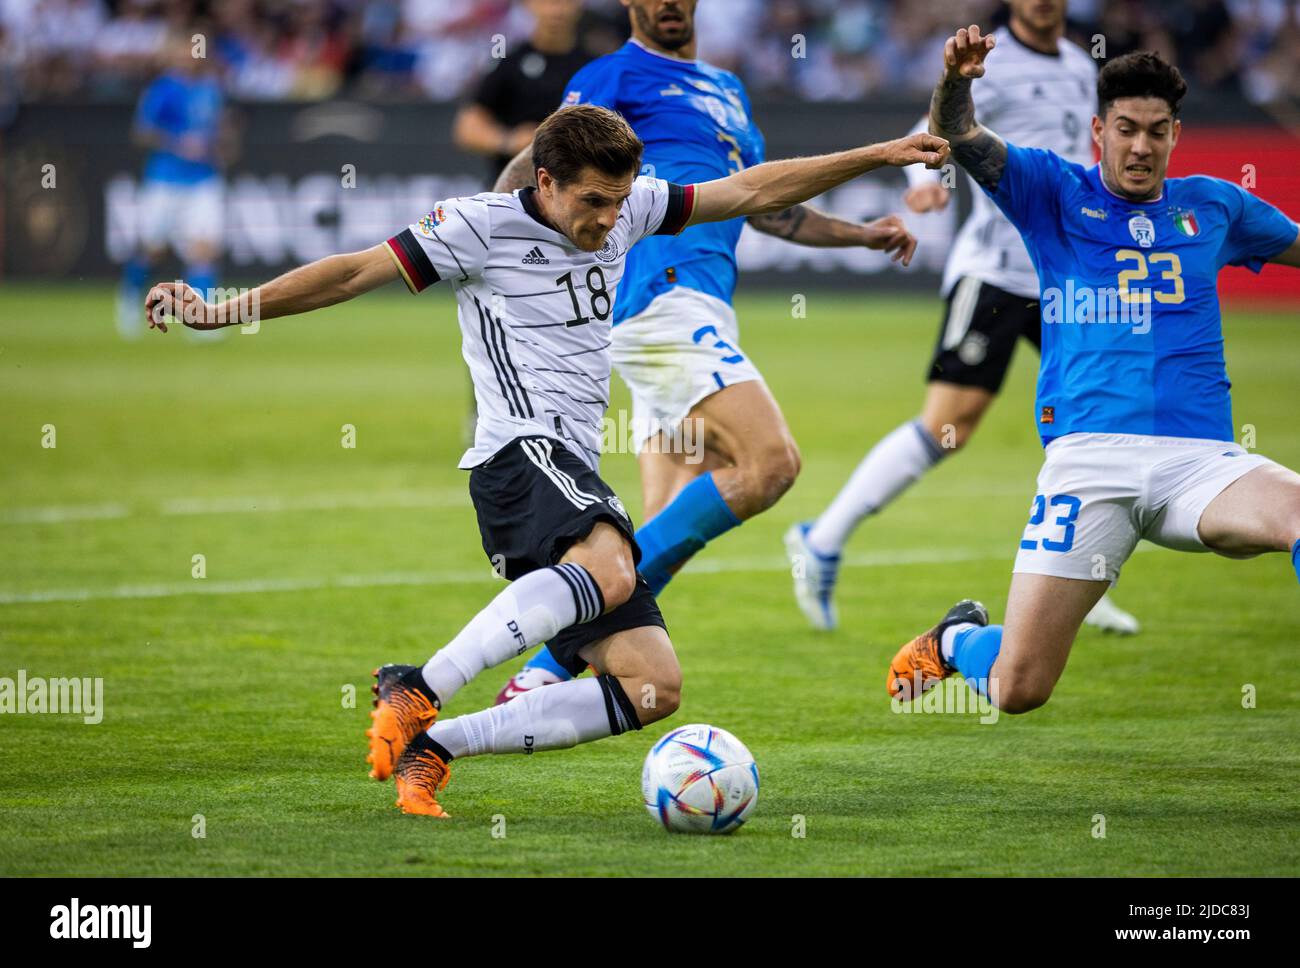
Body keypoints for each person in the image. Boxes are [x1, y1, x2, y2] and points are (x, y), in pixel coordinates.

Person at [145, 104, 949, 815]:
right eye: (592, 202)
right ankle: (416, 687)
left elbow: (753, 190)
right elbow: (352, 271)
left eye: (618, 200)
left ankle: (440, 747)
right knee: (613, 570)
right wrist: (225, 310)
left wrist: (876, 155)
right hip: (516, 453)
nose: (607, 220)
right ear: (546, 180)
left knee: (651, 685)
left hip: (571, 467)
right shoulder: (477, 225)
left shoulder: (630, 210)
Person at [493, 0, 920, 700]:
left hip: (701, 306)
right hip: (660, 298)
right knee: (769, 463)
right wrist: (484, 236)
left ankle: (542, 683)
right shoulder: (614, 76)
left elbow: (766, 206)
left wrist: (860, 235)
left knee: (655, 543)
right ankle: (548, 661)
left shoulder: (727, 91)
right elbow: (536, 166)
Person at [889, 28, 1300, 713]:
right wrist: (956, 80)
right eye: (1127, 129)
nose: (1141, 147)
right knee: (1019, 690)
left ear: (1175, 133)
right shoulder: (1051, 190)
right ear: (1098, 129)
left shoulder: (1217, 205)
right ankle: (961, 640)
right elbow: (956, 132)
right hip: (1089, 463)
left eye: (1157, 131)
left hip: (1203, 465)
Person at [787, 0, 1139, 637]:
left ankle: (1088, 574)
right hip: (998, 274)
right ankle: (822, 539)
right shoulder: (989, 60)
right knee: (950, 424)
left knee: (1100, 422)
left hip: (1067, 278)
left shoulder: (1080, 63)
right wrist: (933, 181)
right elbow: (940, 127)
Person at [117, 33, 227, 339]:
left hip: (203, 178)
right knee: (153, 248)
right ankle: (130, 297)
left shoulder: (211, 89)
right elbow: (142, 132)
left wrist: (220, 146)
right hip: (165, 179)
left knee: (203, 248)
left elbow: (218, 131)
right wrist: (177, 143)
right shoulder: (163, 89)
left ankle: (203, 321)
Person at [452, 0, 593, 185]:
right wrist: (509, 141)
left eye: (564, 2)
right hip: (511, 191)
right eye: (547, 3)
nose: (556, 11)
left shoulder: (594, 66)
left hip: (571, 187)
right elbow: (467, 128)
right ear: (529, 4)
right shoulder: (508, 61)